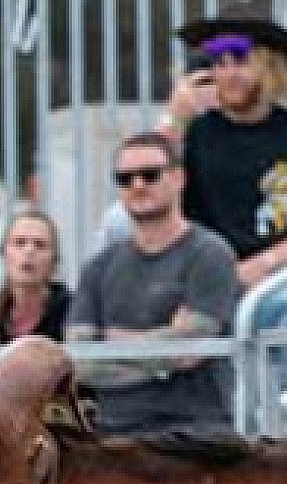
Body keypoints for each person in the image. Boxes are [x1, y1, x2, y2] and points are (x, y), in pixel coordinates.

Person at [167, 3, 287, 382]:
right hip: (209, 276)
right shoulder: (196, 135)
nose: (226, 73)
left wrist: (264, 265)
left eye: (239, 60)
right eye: (217, 62)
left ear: (269, 67)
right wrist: (174, 119)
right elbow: (151, 201)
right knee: (120, 221)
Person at [66, 132, 243, 436]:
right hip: (109, 433)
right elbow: (79, 362)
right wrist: (159, 358)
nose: (138, 185)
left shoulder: (210, 254)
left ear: (179, 179)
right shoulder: (98, 267)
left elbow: (189, 349)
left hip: (194, 434)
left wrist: (112, 344)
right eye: (124, 178)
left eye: (150, 175)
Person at [0, 209, 72, 346]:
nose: (29, 251)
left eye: (40, 245)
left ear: (54, 260)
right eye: (19, 243)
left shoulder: (72, 312)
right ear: (4, 254)